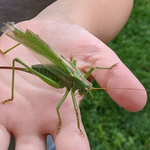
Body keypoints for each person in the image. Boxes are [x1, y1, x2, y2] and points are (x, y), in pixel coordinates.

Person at [0, 0, 147, 150]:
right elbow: (59, 107)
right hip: (53, 73)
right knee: (20, 64)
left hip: (60, 71)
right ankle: (11, 94)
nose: (87, 88)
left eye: (87, 87)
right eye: (87, 87)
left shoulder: (79, 79)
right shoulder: (75, 81)